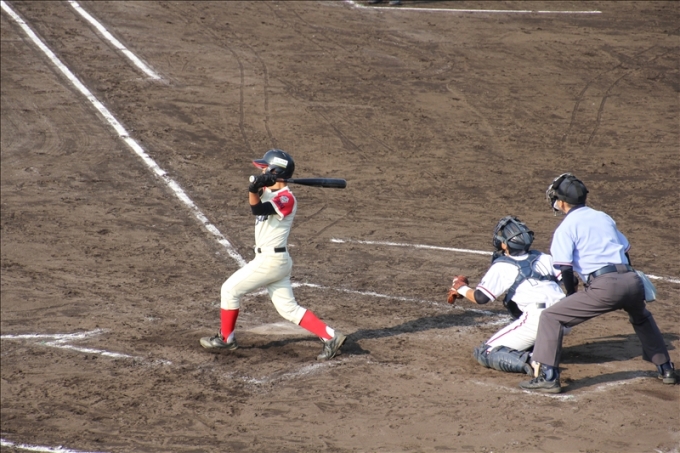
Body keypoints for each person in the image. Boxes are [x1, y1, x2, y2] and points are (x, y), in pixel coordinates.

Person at [519, 173, 676, 393]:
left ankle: (549, 377)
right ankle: (666, 369)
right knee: (641, 317)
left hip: (604, 287)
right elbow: (625, 252)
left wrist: (571, 294)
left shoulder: (566, 227)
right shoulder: (603, 217)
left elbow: (566, 268)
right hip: (631, 281)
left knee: (551, 317)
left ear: (561, 202)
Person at [200, 149, 346, 361]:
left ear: (275, 171)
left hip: (270, 261)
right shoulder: (269, 191)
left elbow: (258, 209)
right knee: (288, 309)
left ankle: (226, 338)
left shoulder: (286, 198)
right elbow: (257, 196)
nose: (261, 171)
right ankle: (331, 336)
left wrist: (254, 187)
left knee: (229, 290)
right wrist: (257, 186)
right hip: (275, 261)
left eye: (265, 168)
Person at [449, 216, 567, 375]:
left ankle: (534, 362)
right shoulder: (545, 258)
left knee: (485, 351)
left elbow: (481, 297)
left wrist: (460, 288)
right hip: (565, 315)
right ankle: (540, 346)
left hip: (539, 319)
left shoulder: (503, 266)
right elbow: (570, 279)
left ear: (505, 244)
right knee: (522, 317)